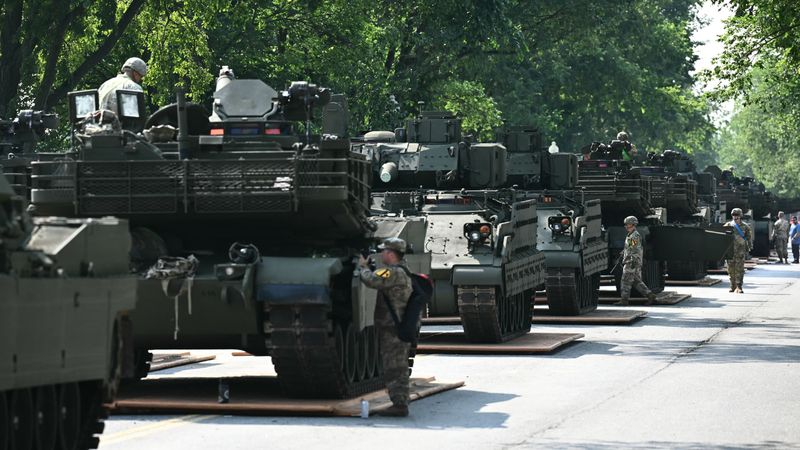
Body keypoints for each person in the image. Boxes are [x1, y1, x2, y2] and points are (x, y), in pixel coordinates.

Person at [358, 237, 414, 417]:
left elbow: (371, 280)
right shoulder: (400, 270)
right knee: (399, 365)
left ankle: (399, 404)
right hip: (398, 326)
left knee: (394, 366)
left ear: (391, 253)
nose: (382, 253)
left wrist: (363, 267)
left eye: (384, 251)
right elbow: (380, 277)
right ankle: (401, 401)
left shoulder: (393, 273)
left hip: (393, 328)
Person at [615, 216, 657, 306]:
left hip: (631, 261)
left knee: (625, 280)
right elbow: (630, 247)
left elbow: (634, 249)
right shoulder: (631, 235)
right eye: (625, 224)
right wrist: (624, 252)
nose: (626, 226)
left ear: (633, 225)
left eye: (628, 224)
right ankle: (650, 295)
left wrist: (631, 260)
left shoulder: (634, 236)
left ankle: (624, 300)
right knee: (636, 281)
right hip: (632, 260)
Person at [724, 208, 752, 293]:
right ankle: (733, 285)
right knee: (730, 269)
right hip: (730, 251)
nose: (735, 217)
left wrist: (748, 248)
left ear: (740, 216)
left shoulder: (745, 226)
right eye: (733, 215)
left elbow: (748, 238)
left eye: (737, 215)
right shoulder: (728, 225)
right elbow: (723, 237)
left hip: (740, 251)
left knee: (740, 269)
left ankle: (739, 286)